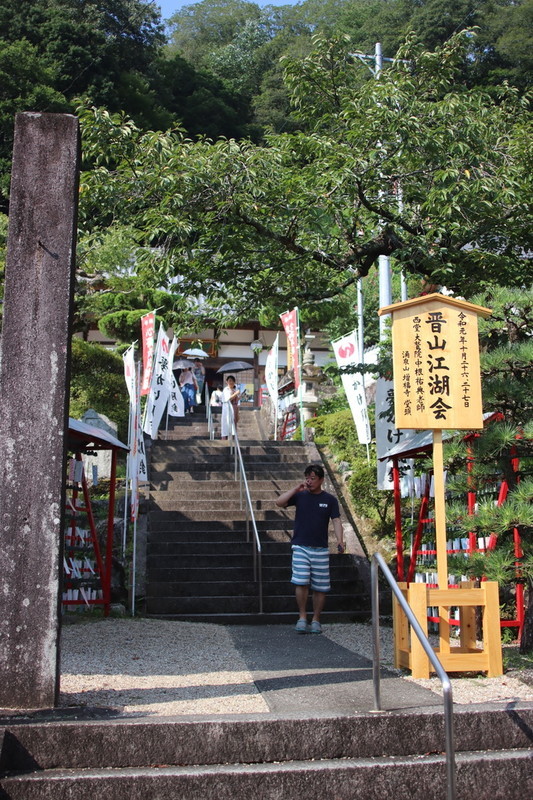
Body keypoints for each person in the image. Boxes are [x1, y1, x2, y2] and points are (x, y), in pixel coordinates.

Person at [275, 464, 345, 634]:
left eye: (313, 478)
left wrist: (340, 541)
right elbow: (279, 502)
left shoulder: (330, 500)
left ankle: (316, 619)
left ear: (321, 480)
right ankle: (302, 616)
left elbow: (336, 521)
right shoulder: (300, 496)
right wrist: (296, 488)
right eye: (308, 477)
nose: (309, 481)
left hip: (320, 548)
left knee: (320, 586)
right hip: (300, 545)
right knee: (301, 581)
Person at [220, 374, 241, 438]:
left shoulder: (235, 389)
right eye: (229, 381)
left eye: (232, 381)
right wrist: (236, 393)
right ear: (227, 382)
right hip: (228, 408)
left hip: (234, 408)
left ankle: (234, 441)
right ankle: (225, 440)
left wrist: (238, 413)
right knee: (226, 424)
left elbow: (237, 402)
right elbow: (228, 399)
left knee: (234, 425)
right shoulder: (225, 390)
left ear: (234, 382)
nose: (231, 382)